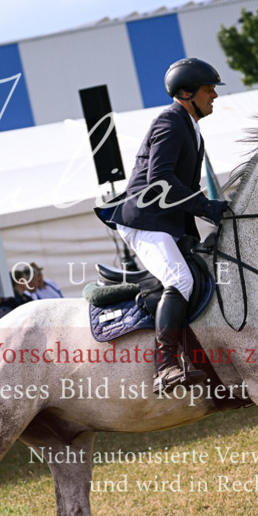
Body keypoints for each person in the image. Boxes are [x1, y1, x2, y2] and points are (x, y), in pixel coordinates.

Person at [95, 57, 230, 393]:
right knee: (180, 279)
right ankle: (165, 365)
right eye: (208, 89)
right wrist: (205, 206)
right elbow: (160, 180)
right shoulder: (170, 121)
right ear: (187, 93)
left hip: (166, 221)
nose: (214, 95)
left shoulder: (190, 125)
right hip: (145, 219)